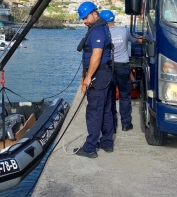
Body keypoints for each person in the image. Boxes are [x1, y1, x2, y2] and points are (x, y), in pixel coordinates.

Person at [74, 1, 115, 158]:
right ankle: (106, 143)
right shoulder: (102, 27)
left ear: (94, 14)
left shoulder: (97, 31)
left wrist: (88, 77)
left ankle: (90, 147)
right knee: (106, 110)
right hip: (106, 75)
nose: (84, 21)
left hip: (99, 76)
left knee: (94, 111)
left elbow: (96, 56)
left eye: (85, 18)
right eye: (82, 19)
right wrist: (84, 76)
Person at [99, 10, 142, 132]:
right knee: (125, 95)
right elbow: (138, 40)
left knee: (110, 96)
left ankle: (112, 123)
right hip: (123, 67)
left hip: (109, 67)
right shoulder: (125, 31)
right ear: (113, 19)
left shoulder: (102, 34)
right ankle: (126, 124)